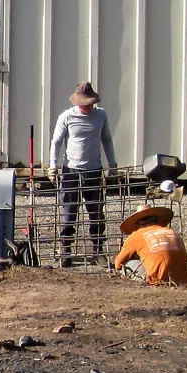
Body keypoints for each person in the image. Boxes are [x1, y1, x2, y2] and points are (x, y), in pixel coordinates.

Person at [49, 81, 116, 265]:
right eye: (84, 103)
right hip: (71, 171)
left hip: (94, 170)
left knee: (96, 212)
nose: (87, 106)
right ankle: (65, 250)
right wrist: (52, 167)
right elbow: (56, 142)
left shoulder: (100, 115)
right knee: (69, 212)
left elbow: (107, 140)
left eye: (90, 103)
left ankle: (97, 251)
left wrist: (113, 165)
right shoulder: (67, 117)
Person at [113, 205, 187, 286]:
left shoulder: (136, 235)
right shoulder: (172, 232)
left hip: (158, 281)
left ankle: (152, 281)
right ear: (156, 220)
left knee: (128, 264)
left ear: (138, 223)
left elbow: (118, 264)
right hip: (186, 280)